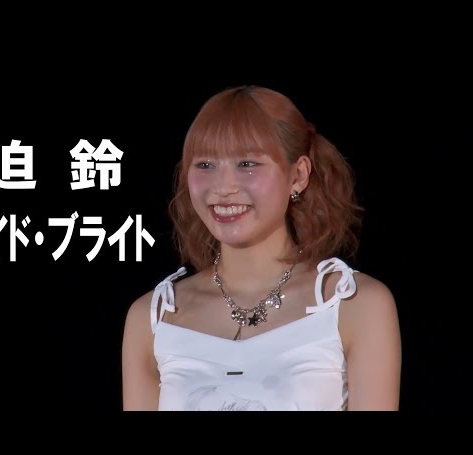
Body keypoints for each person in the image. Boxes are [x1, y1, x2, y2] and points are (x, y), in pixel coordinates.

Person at [122, 85, 401, 411]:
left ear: (298, 175)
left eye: (247, 163)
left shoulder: (355, 305)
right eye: (205, 165)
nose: (223, 187)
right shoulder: (153, 319)